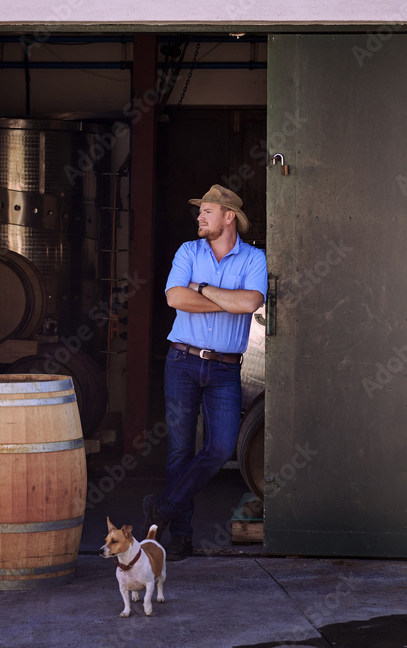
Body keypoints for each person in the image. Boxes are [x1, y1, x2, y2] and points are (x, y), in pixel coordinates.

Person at [143, 184, 268, 560]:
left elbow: (250, 301)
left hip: (226, 369)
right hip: (181, 361)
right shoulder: (188, 251)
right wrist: (221, 299)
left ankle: (162, 508)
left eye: (208, 211)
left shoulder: (254, 258)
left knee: (220, 448)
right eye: (200, 211)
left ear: (229, 217)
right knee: (180, 450)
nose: (200, 216)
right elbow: (174, 297)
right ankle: (179, 536)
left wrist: (202, 288)